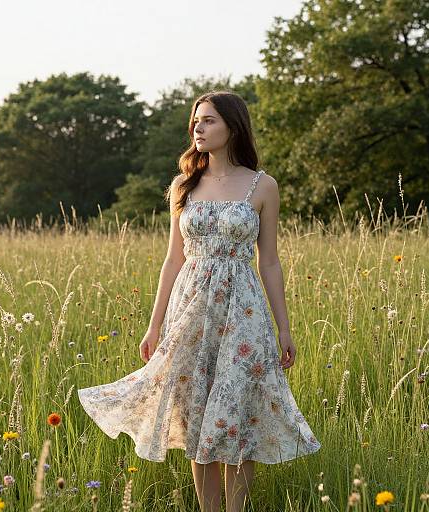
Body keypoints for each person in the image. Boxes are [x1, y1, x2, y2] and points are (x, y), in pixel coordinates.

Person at [77, 90, 321, 512]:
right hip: (189, 311)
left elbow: (271, 262)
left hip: (243, 312)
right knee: (195, 417)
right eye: (196, 120)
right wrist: (154, 326)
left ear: (232, 126)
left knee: (237, 414)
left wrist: (284, 327)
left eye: (208, 120)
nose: (198, 127)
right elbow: (173, 260)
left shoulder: (263, 186)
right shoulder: (183, 185)